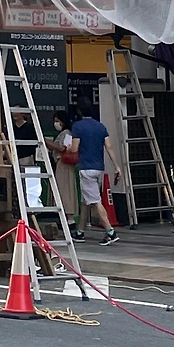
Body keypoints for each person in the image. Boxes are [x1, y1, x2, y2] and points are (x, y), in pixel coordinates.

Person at [69, 100, 118, 244]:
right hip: (98, 168)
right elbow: (109, 147)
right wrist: (116, 166)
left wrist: (67, 147)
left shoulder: (77, 126)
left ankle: (110, 232)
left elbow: (74, 149)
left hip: (86, 168)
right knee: (86, 202)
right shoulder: (100, 126)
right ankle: (80, 232)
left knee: (95, 201)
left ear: (79, 112)